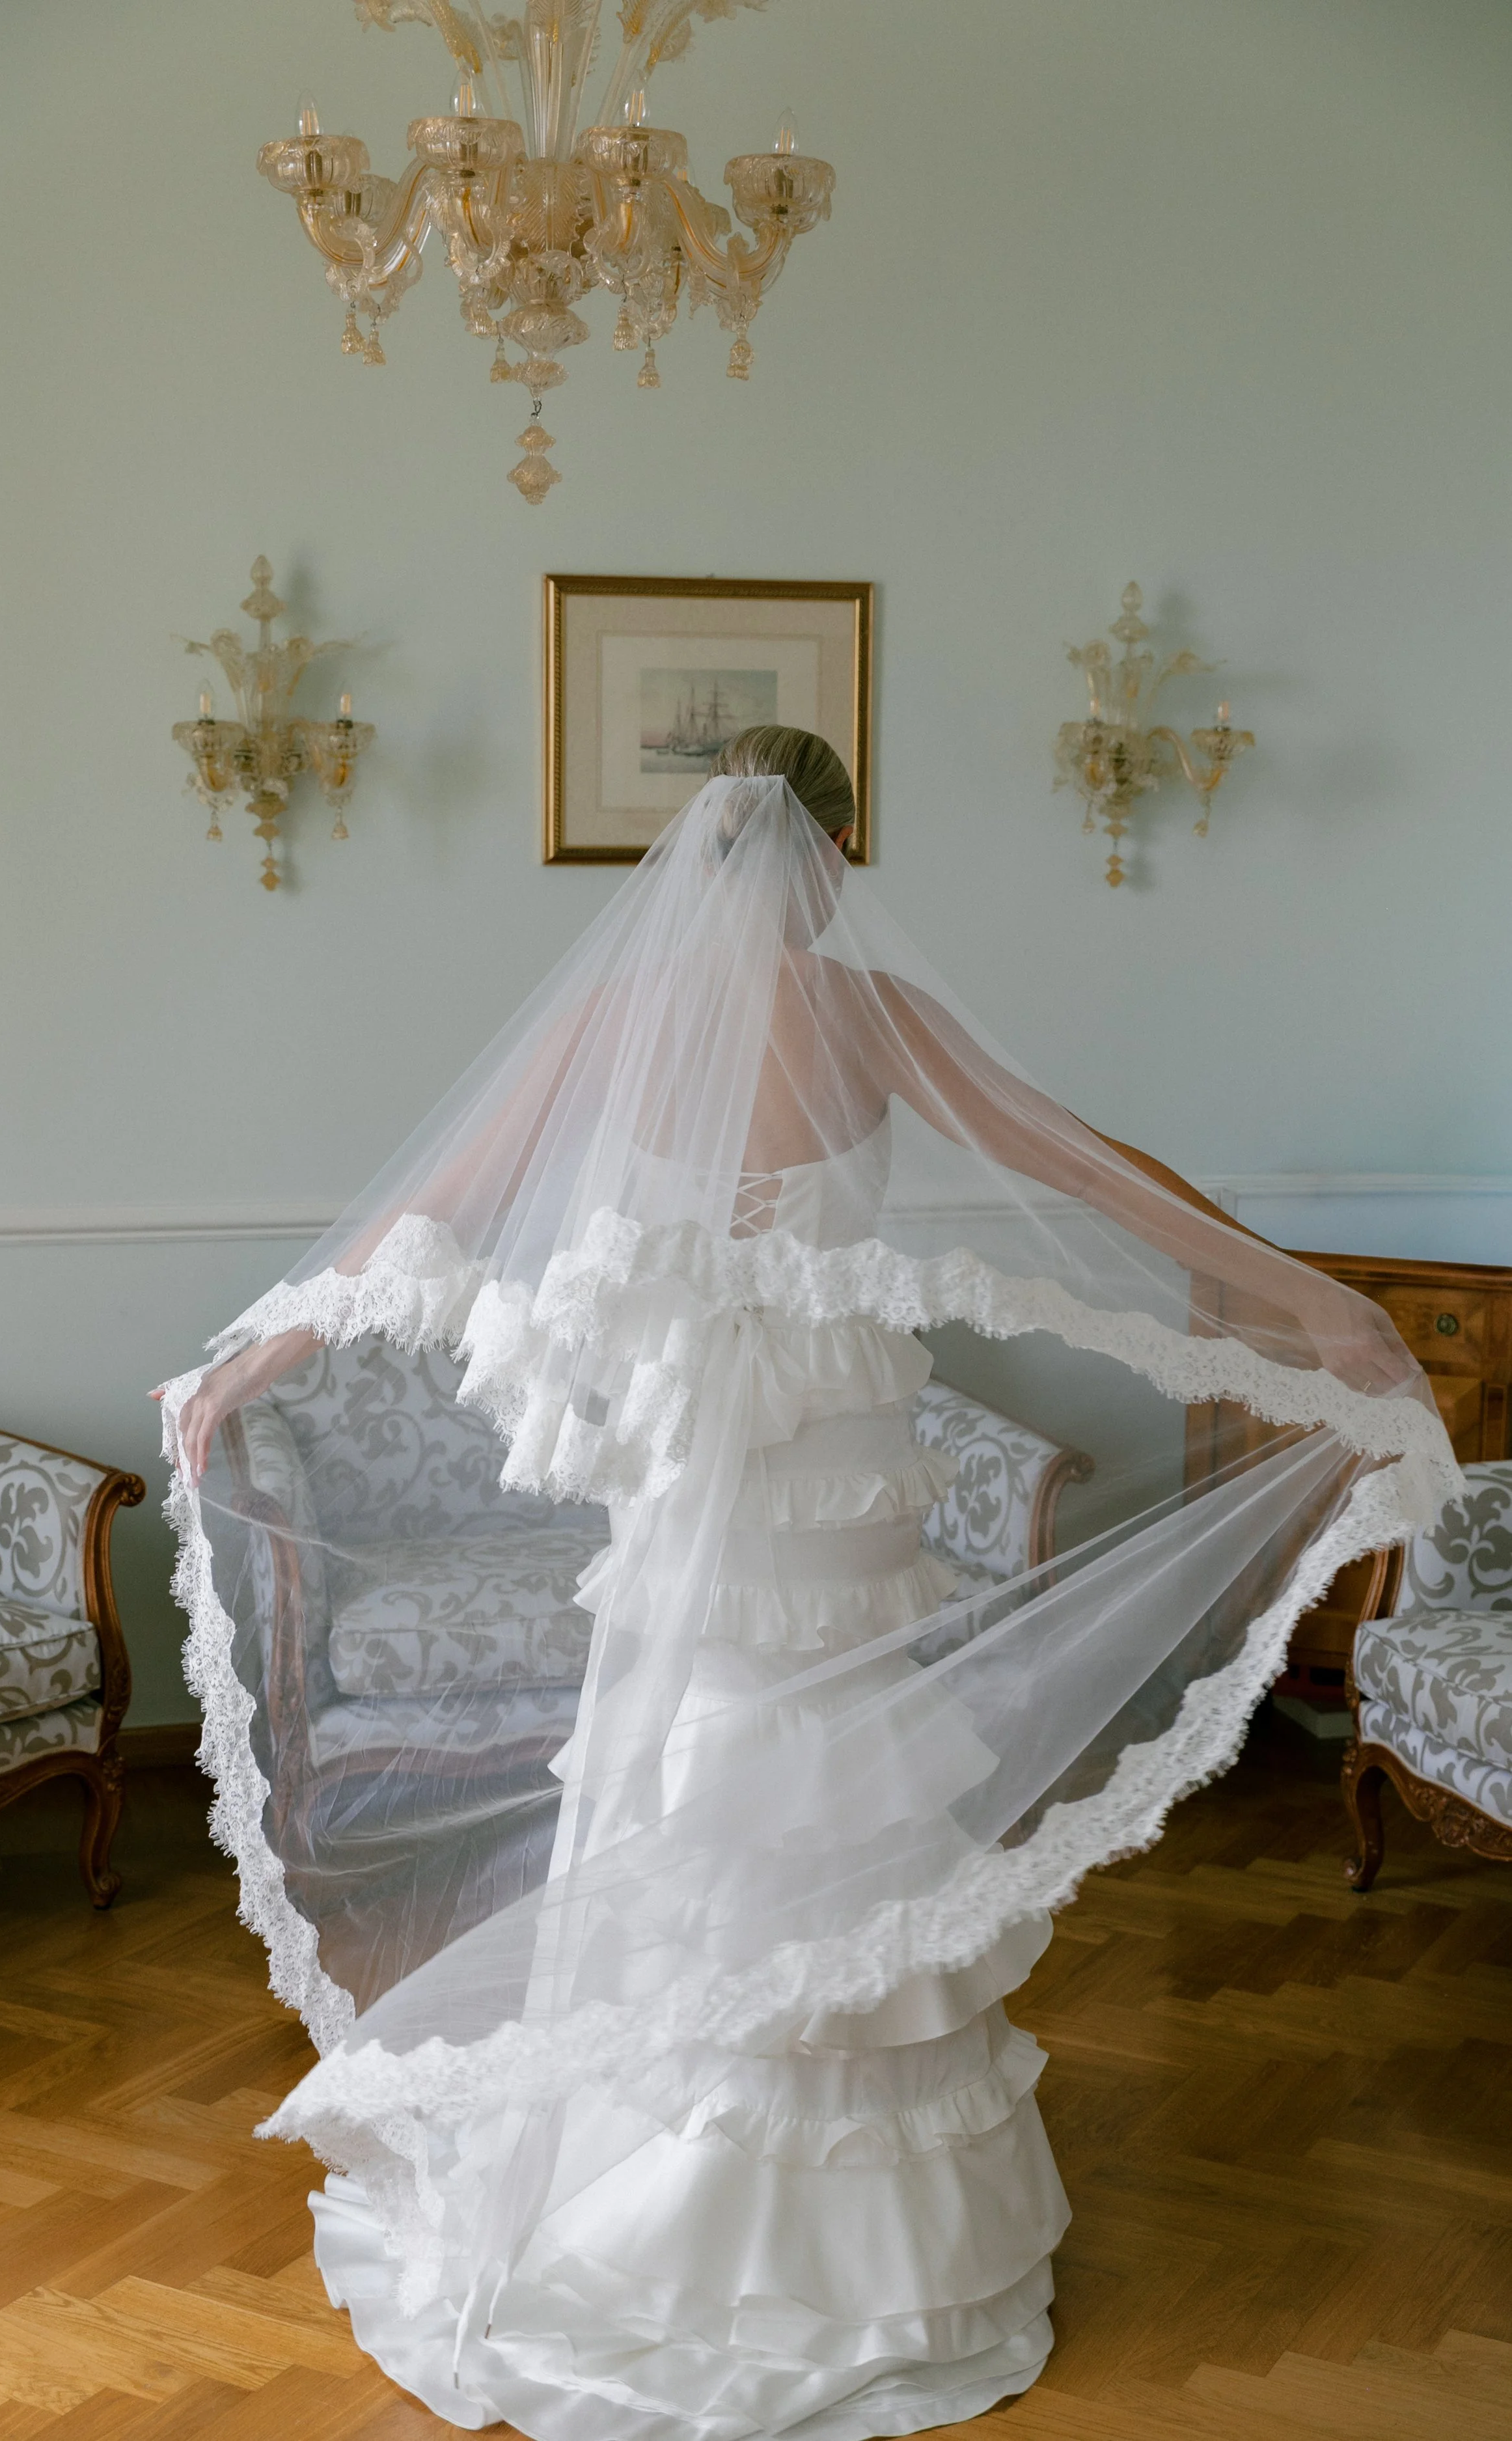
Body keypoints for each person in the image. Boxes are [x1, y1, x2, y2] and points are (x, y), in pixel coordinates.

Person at [161, 730, 1452, 2439]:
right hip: (830, 1459)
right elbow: (1078, 1167)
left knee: (706, 1756)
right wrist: (1299, 1296)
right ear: (833, 847)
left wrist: (255, 1355)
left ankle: (666, 2176)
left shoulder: (612, 1016)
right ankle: (840, 2231)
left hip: (702, 1462)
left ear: (701, 851)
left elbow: (435, 1212)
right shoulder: (870, 1015)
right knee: (842, 1761)